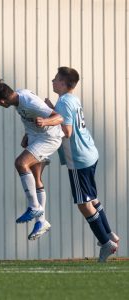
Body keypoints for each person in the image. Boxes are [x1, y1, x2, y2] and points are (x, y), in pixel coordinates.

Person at [45, 67, 119, 262]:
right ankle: (110, 234)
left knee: (83, 204)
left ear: (62, 83)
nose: (52, 81)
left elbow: (67, 131)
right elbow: (67, 119)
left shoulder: (64, 103)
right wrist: (53, 110)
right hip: (90, 153)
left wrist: (46, 122)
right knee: (92, 198)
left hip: (78, 159)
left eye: (56, 79)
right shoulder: (71, 99)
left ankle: (105, 243)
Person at [0, 79, 64, 240]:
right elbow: (30, 118)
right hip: (36, 137)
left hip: (49, 138)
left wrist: (45, 121)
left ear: (1, 101)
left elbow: (59, 117)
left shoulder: (29, 103)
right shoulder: (18, 98)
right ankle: (41, 222)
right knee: (36, 177)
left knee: (21, 163)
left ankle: (34, 206)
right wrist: (27, 135)